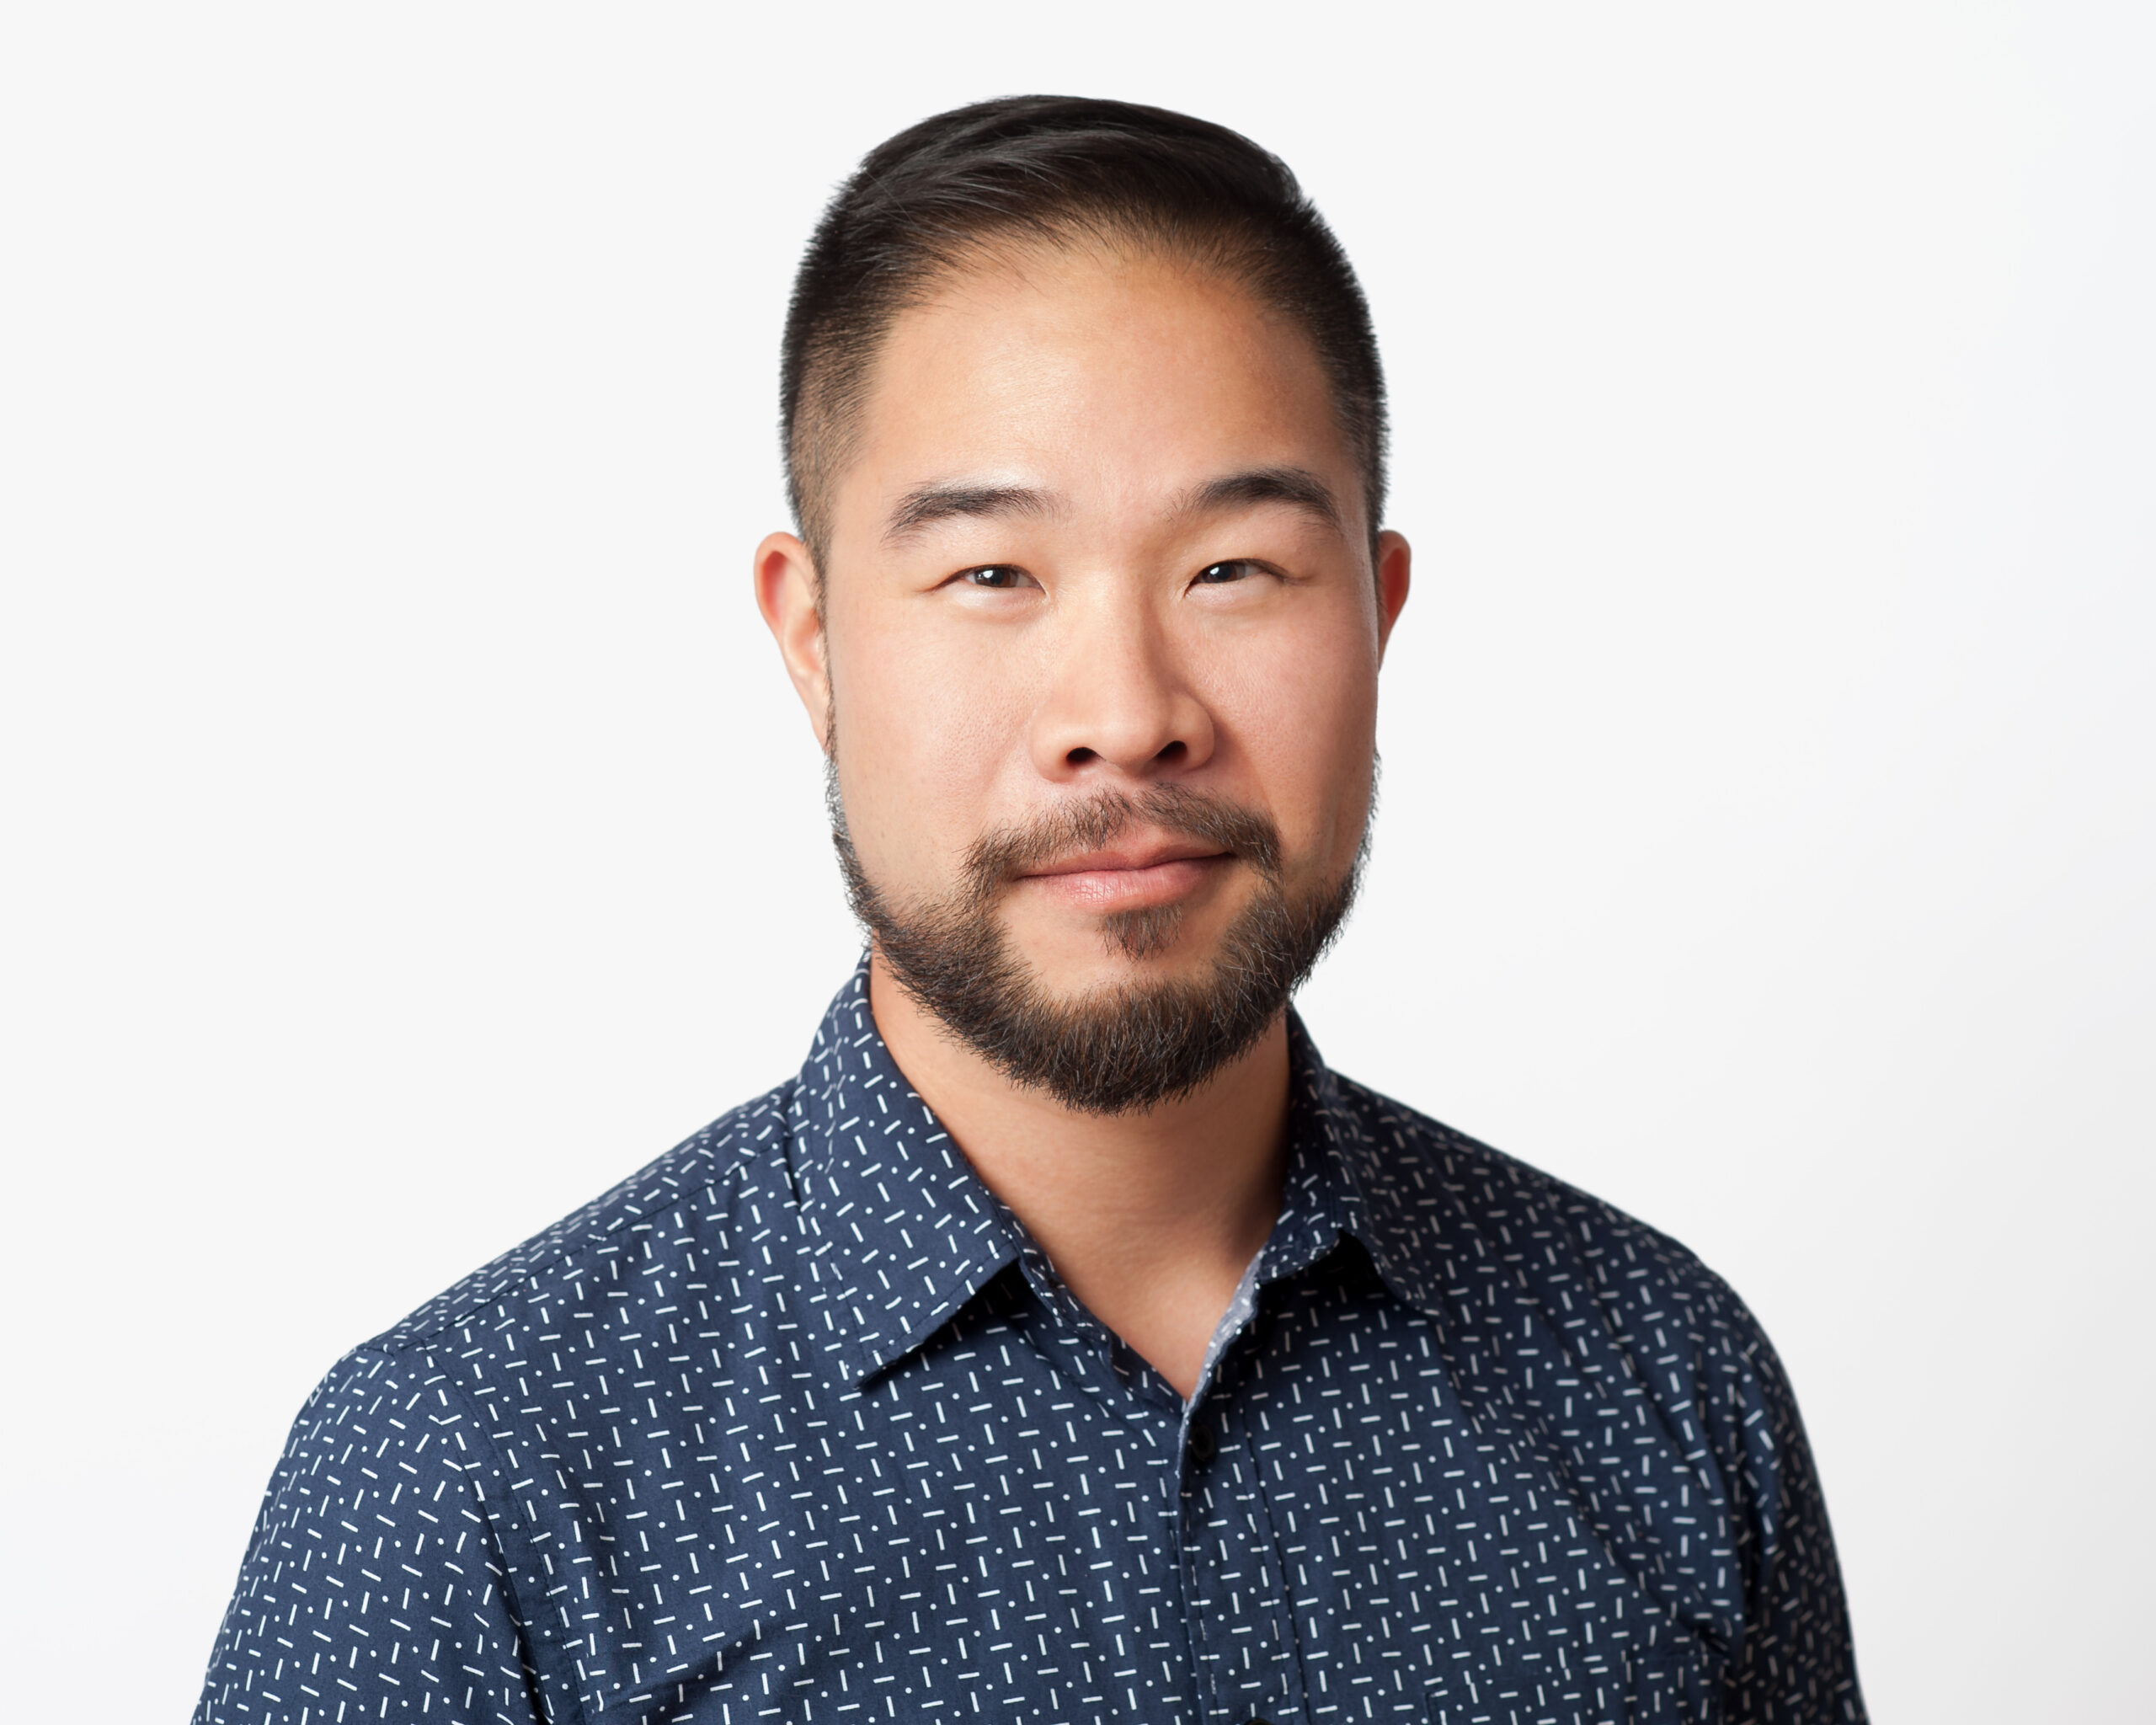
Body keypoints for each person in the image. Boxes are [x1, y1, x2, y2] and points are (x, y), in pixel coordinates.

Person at [195, 96, 1865, 1725]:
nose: (1125, 712)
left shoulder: (1657, 1379)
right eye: (991, 574)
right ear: (813, 636)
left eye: (1233, 569)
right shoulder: (470, 1479)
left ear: (1375, 608)